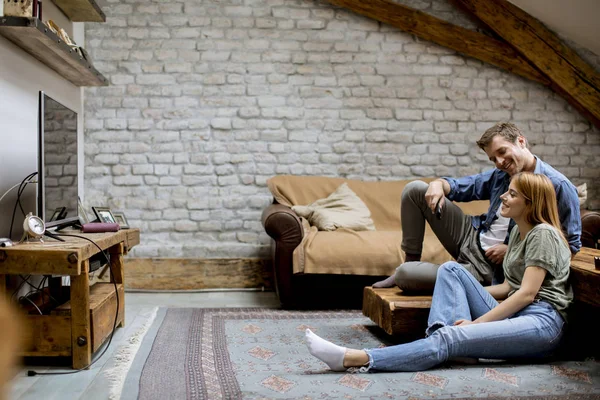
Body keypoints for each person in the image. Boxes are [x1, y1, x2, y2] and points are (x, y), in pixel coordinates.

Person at [306, 173, 572, 372]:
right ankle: (452, 347)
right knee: (451, 269)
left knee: (449, 335)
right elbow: (506, 288)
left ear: (530, 202)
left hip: (541, 323)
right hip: (520, 312)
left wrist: (476, 324)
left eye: (512, 194)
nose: (503, 196)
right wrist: (465, 294)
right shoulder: (517, 232)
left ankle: (355, 358)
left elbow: (526, 295)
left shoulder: (543, 234)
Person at [373, 122, 581, 292]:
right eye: (493, 159)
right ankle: (410, 259)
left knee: (406, 276)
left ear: (521, 141)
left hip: (488, 267)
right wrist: (439, 184)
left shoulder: (558, 186)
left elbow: (570, 246)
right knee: (415, 189)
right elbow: (463, 186)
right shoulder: (501, 174)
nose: (499, 162)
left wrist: (514, 252)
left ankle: (410, 270)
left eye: (502, 152)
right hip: (471, 236)